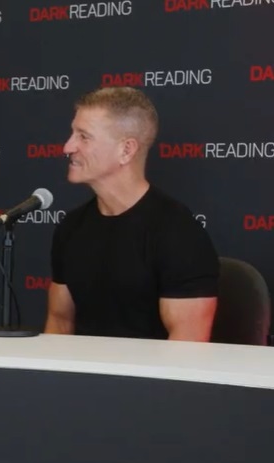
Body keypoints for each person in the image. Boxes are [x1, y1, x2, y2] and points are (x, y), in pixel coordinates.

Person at [45, 87, 218, 341]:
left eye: (84, 136)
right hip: (82, 378)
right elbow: (59, 323)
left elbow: (187, 351)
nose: (68, 146)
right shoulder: (71, 227)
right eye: (73, 133)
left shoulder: (179, 234)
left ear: (126, 150)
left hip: (150, 379)